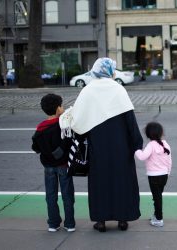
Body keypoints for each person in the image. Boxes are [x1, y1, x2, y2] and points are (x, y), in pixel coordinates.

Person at [59, 57, 143, 232]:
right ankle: (122, 219)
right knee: (123, 182)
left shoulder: (88, 91)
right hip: (122, 147)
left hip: (98, 147)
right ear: (110, 71)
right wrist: (137, 144)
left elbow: (78, 122)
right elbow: (130, 120)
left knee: (100, 183)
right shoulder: (118, 90)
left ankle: (101, 221)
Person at [31, 93, 75, 233]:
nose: (62, 108)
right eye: (61, 106)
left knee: (51, 195)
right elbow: (69, 142)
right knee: (67, 195)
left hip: (48, 166)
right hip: (63, 165)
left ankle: (53, 223)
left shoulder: (40, 128)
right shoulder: (62, 125)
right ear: (58, 109)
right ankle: (69, 224)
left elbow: (35, 147)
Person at [135, 121, 172, 227]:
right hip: (164, 175)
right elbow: (169, 161)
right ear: (161, 133)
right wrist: (168, 172)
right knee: (158, 196)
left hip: (154, 176)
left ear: (148, 134)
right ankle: (156, 215)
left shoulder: (151, 145)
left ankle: (159, 219)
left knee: (157, 198)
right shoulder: (165, 144)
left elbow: (142, 157)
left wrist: (135, 149)